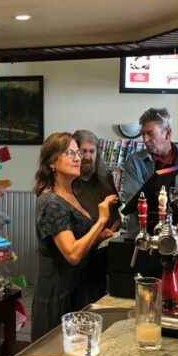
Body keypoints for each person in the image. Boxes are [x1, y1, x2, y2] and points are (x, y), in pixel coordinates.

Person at [31, 132, 117, 340]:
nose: (79, 158)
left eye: (78, 153)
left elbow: (78, 241)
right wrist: (100, 220)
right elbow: (72, 254)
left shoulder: (72, 193)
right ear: (52, 162)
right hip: (58, 298)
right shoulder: (51, 202)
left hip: (78, 291)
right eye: (70, 153)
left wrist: (98, 236)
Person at [121, 108, 178, 229]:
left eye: (150, 133)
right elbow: (134, 203)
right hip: (143, 234)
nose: (145, 140)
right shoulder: (134, 162)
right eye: (142, 134)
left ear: (167, 133)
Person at [72, 129, 120, 301]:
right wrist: (97, 236)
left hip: (102, 254)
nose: (87, 156)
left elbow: (116, 213)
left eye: (92, 151)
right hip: (78, 256)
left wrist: (111, 231)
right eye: (83, 151)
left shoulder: (105, 177)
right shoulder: (69, 182)